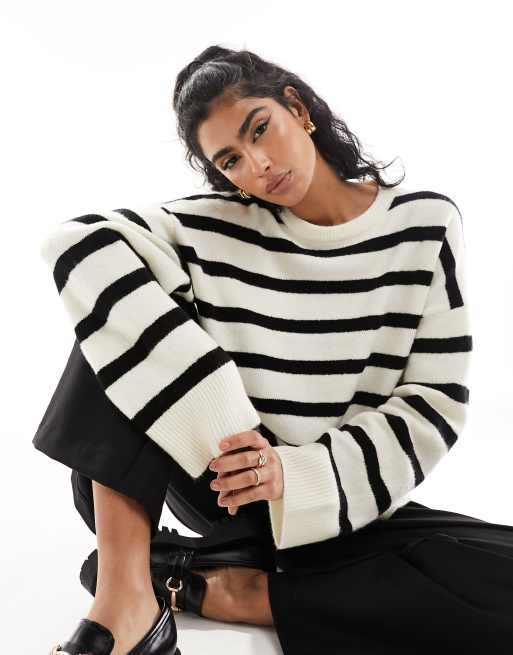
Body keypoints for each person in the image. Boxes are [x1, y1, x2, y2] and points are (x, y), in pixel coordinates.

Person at [33, 45, 513, 655]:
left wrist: (292, 473)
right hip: (218, 482)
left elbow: (432, 402)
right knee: (119, 305)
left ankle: (225, 587)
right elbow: (76, 241)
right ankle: (124, 600)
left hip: (335, 493)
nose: (258, 165)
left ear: (298, 109)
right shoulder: (217, 226)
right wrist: (224, 418)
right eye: (231, 160)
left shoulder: (425, 225)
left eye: (260, 129)